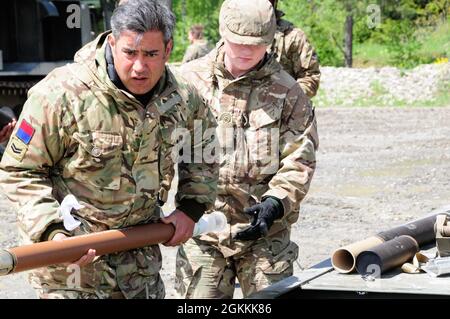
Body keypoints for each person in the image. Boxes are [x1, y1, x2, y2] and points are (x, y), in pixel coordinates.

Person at [0, 0, 217, 299]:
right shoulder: (61, 94)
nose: (140, 66)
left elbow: (202, 148)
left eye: (151, 54)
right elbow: (20, 169)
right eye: (130, 53)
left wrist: (191, 208)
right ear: (113, 43)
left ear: (168, 50)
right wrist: (52, 230)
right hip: (72, 272)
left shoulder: (183, 97)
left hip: (140, 271)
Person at [175, 0, 318, 299]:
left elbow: (300, 158)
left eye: (254, 45)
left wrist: (276, 202)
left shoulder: (289, 92)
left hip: (265, 235)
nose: (244, 50)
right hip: (203, 233)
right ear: (222, 33)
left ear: (269, 40)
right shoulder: (188, 82)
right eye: (237, 42)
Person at [268, 0, 321, 98]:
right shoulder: (233, 33)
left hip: (280, 107)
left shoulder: (293, 36)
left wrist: (287, 98)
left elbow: (309, 77)